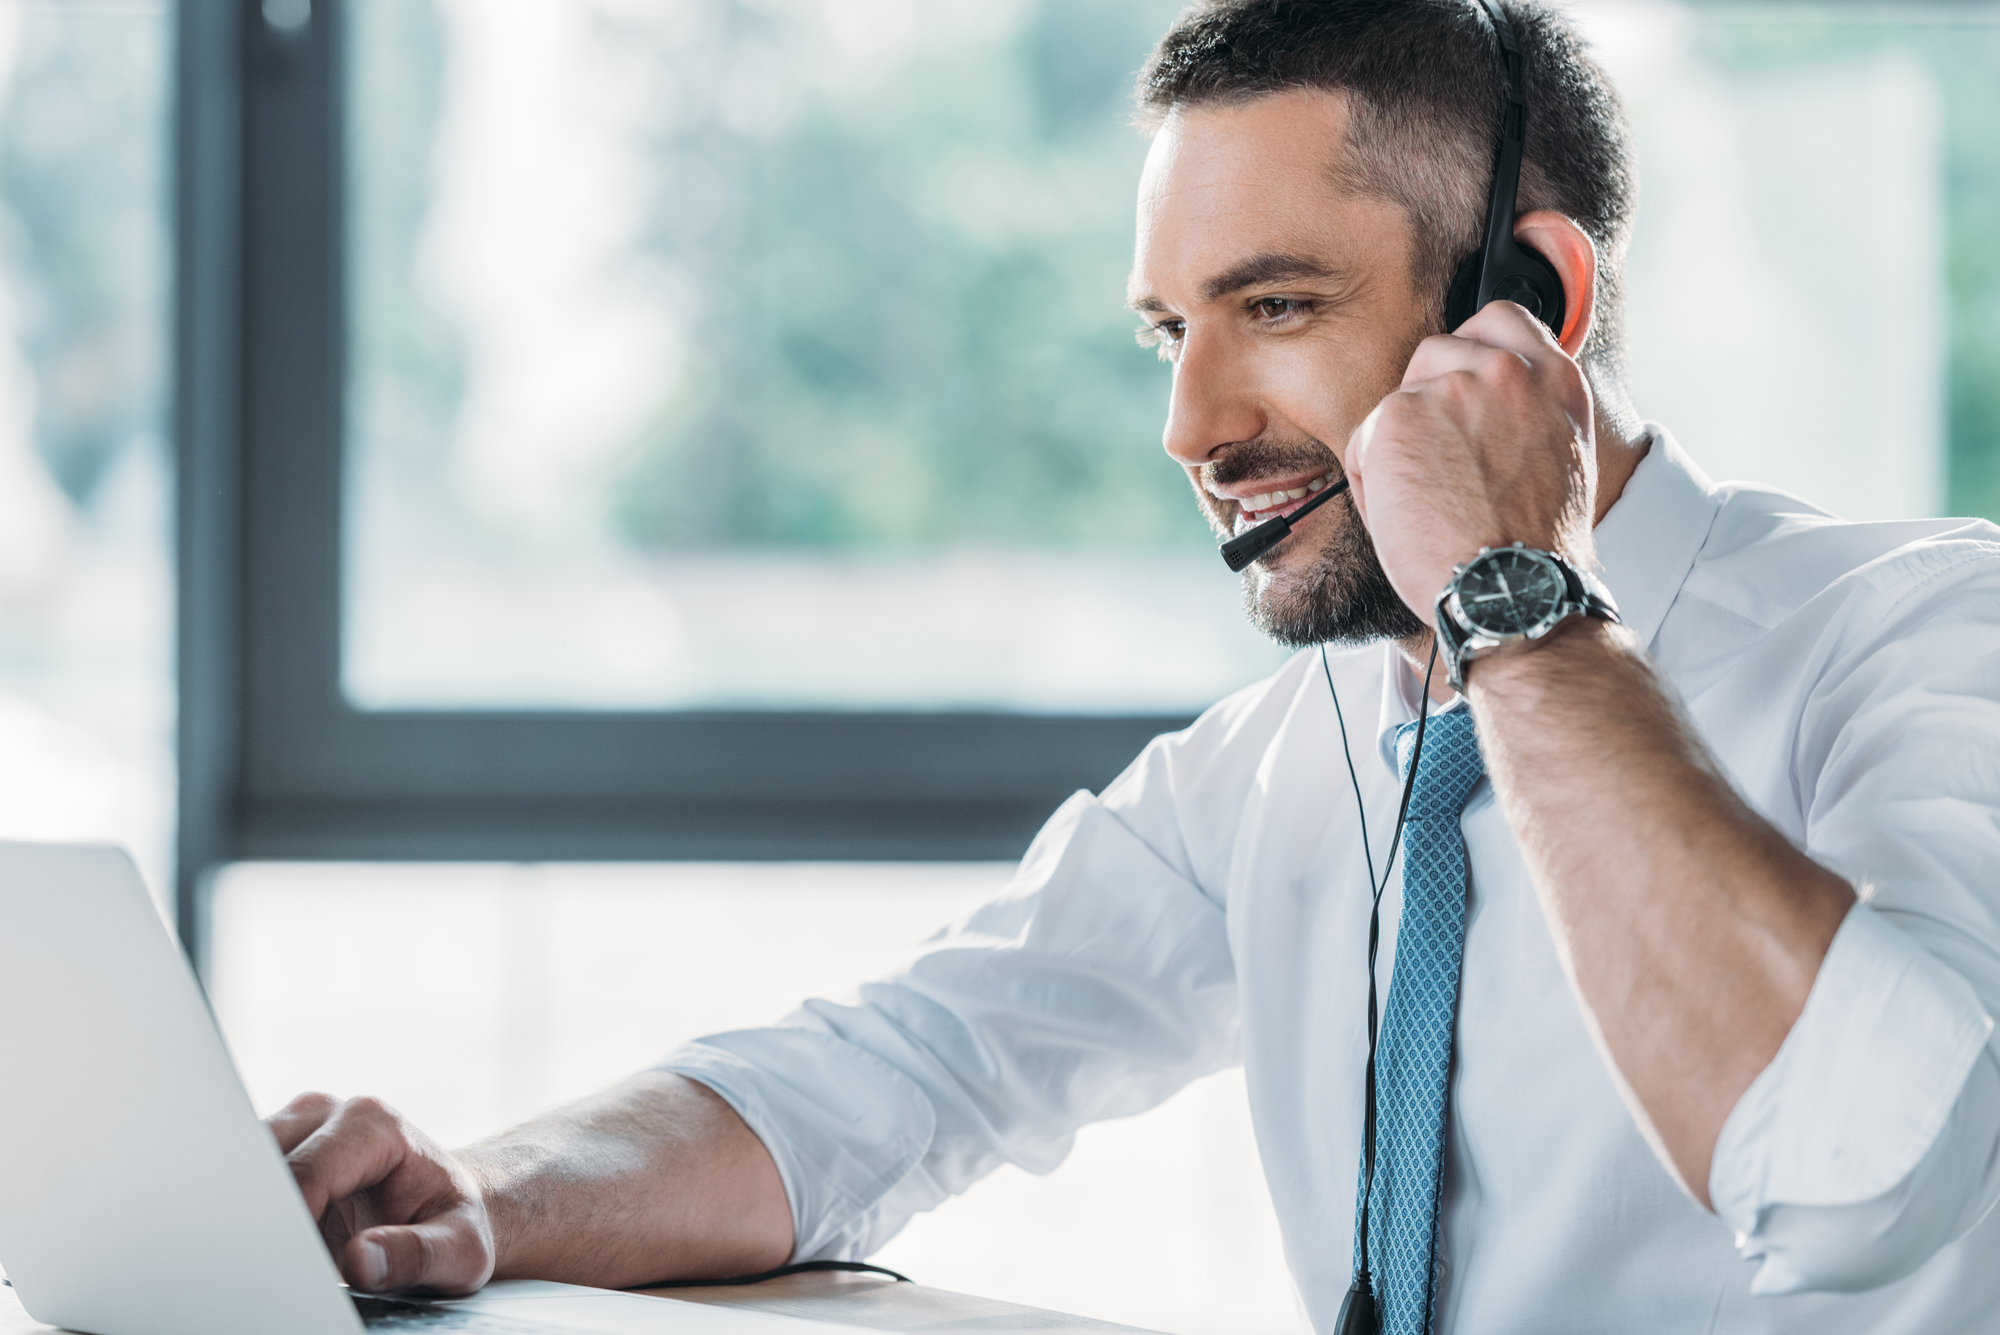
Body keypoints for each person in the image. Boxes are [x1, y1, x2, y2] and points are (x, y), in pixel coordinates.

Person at [270, 2, 2000, 1330]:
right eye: (1175, 332)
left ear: (1525, 305)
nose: (1190, 423)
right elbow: (897, 1073)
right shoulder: (1280, 763)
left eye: (1276, 308)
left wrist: (1514, 596)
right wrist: (478, 1197)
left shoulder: (1921, 639)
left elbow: (1867, 1179)